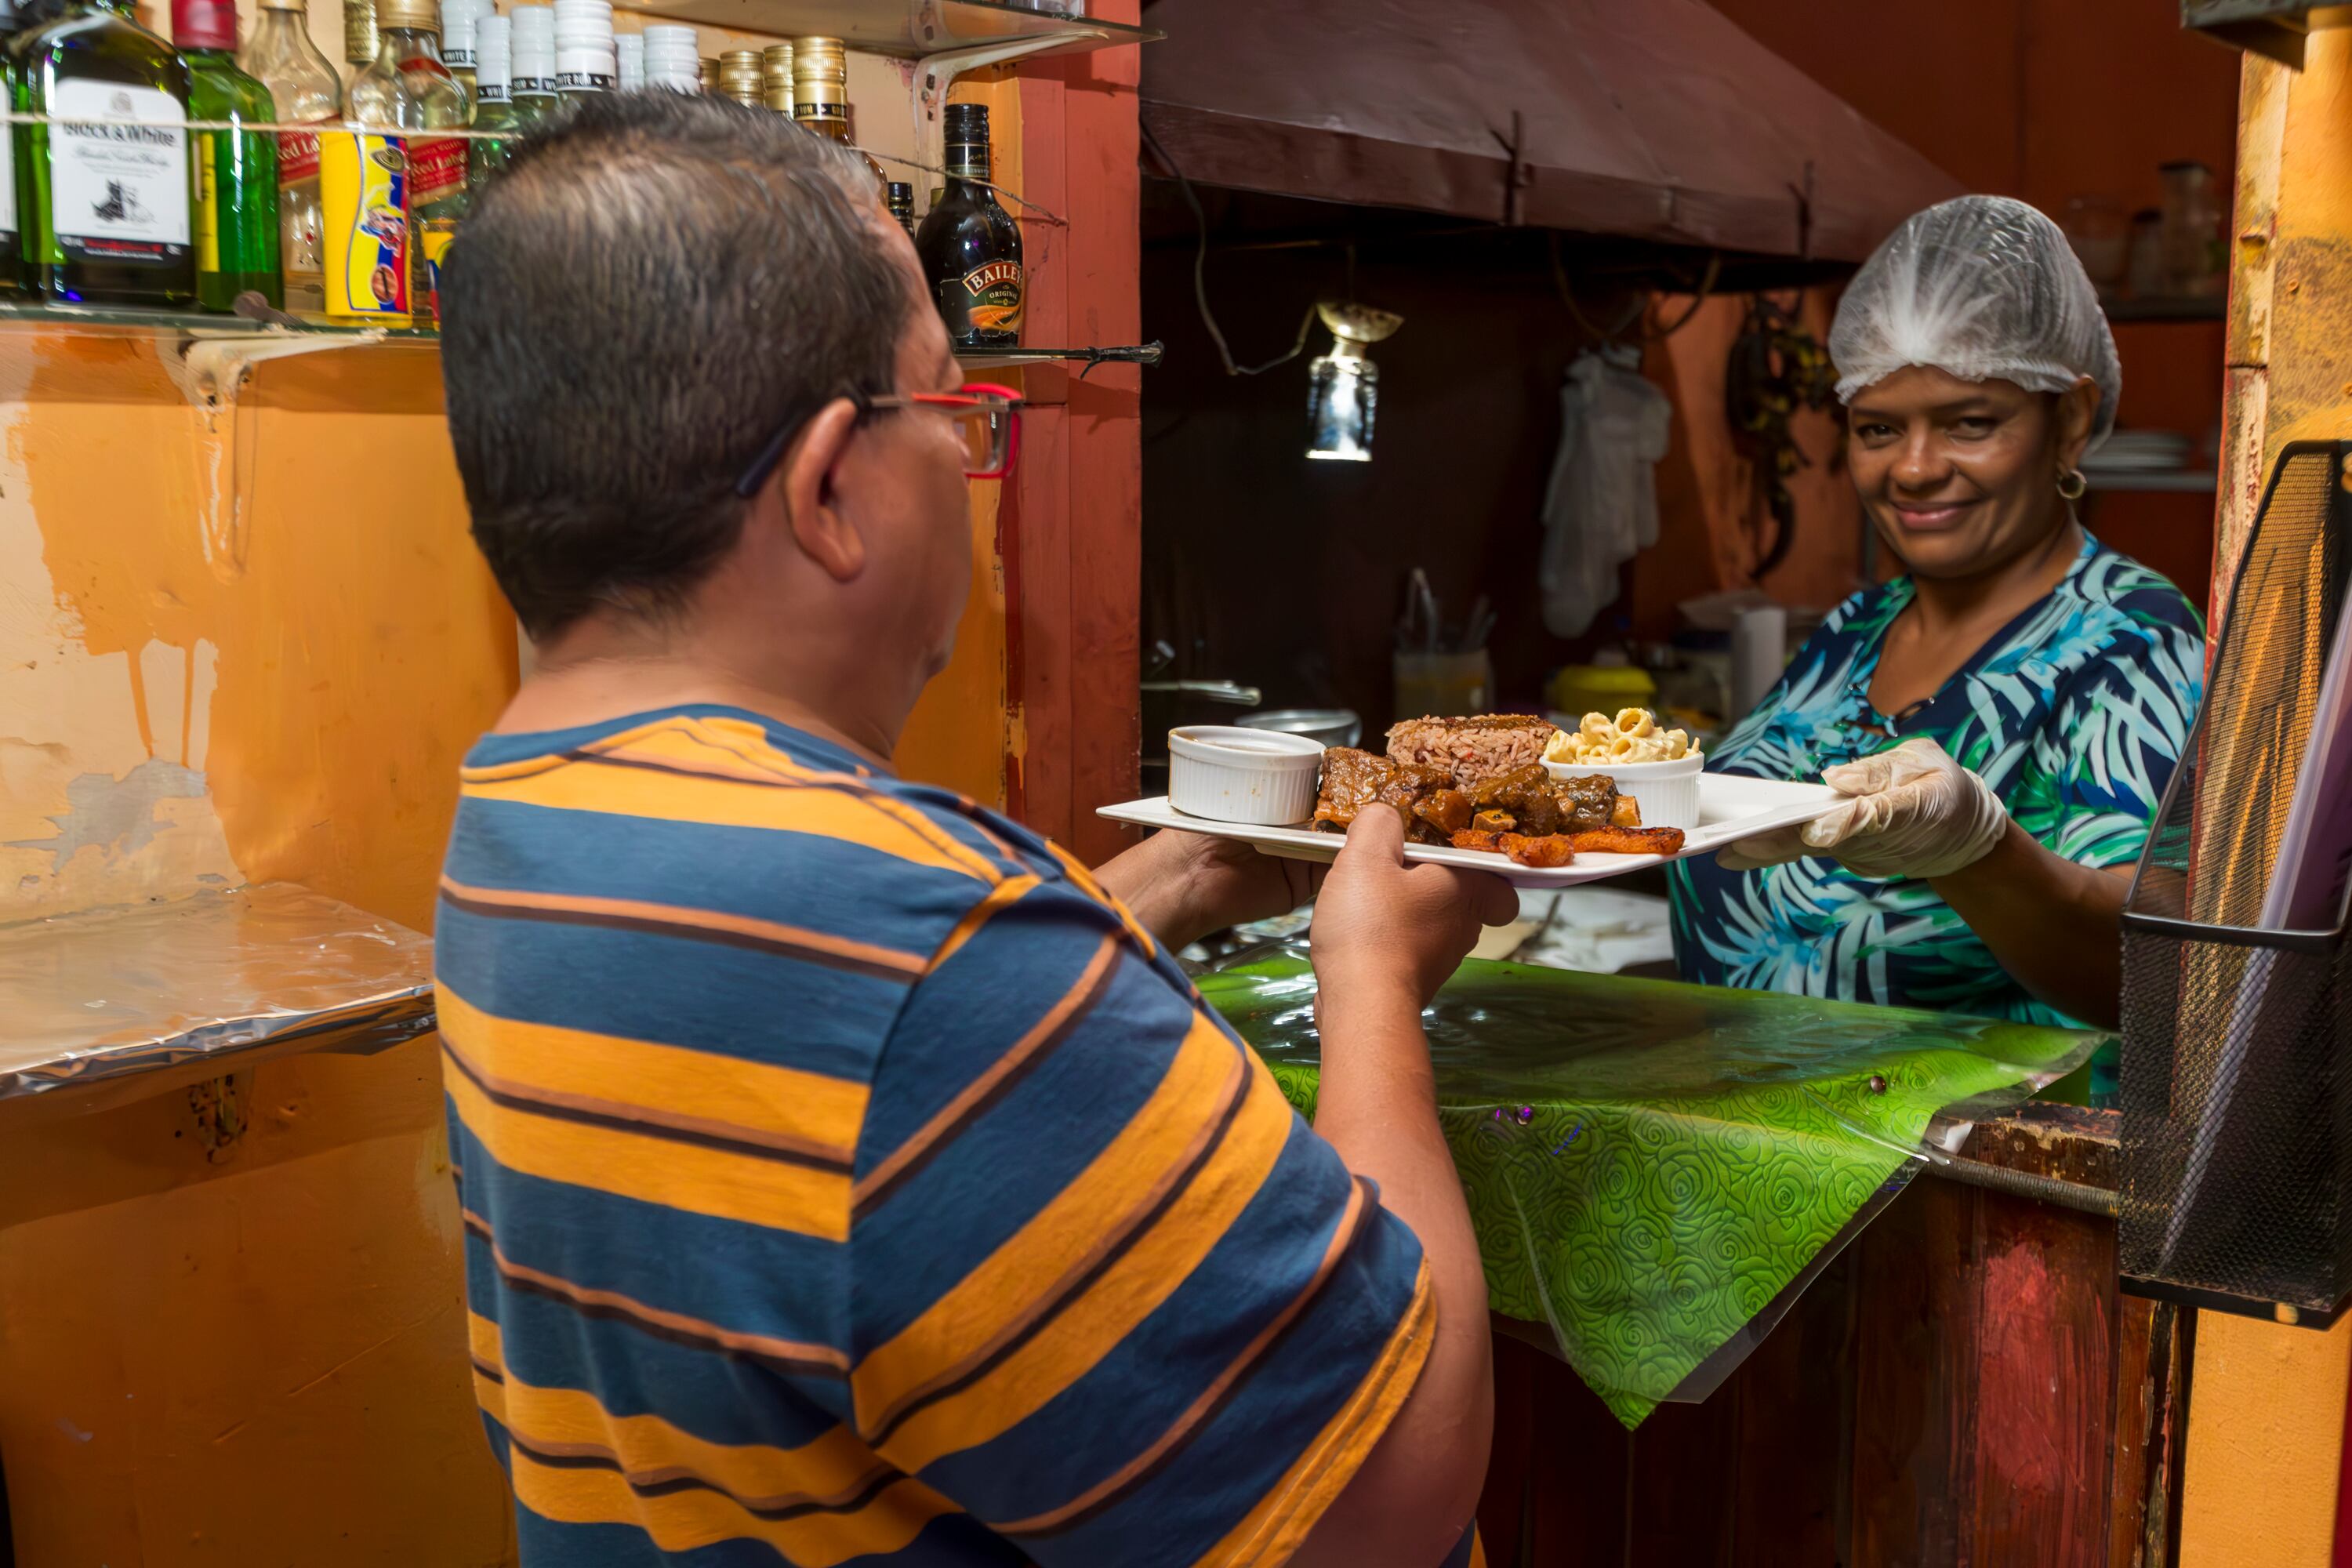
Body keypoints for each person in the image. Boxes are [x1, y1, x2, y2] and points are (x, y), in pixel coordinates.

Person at [432, 93, 1512, 1567]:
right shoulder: (933, 948)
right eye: (948, 407)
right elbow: (1393, 1491)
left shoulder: (532, 805)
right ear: (828, 489)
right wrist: (1371, 981)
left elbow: (824, 1104)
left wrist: (1146, 895)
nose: (967, 460)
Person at [1669, 195, 2205, 1032]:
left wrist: (1977, 853)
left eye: (1969, 423)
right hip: (1750, 1136)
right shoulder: (1859, 627)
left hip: (1977, 1156)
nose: (1914, 470)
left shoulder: (2130, 638)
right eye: (1878, 429)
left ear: (2067, 420)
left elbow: (2164, 973)